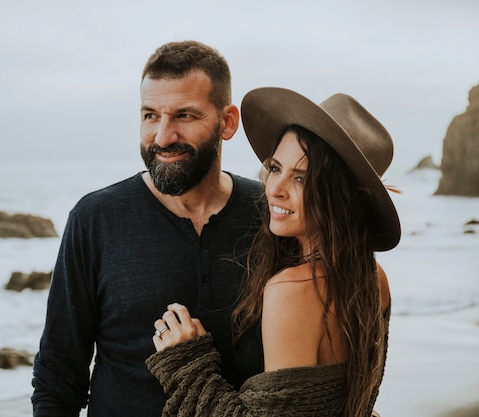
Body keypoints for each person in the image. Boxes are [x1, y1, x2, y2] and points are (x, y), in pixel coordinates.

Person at [31, 41, 263, 417]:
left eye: (184, 116)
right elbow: (58, 374)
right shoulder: (95, 219)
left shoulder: (270, 217)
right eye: (150, 115)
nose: (162, 136)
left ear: (227, 122)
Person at [146, 87, 401, 416]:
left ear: (340, 195)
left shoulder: (290, 290)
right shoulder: (374, 276)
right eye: (276, 168)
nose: (274, 190)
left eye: (301, 178)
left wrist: (188, 363)